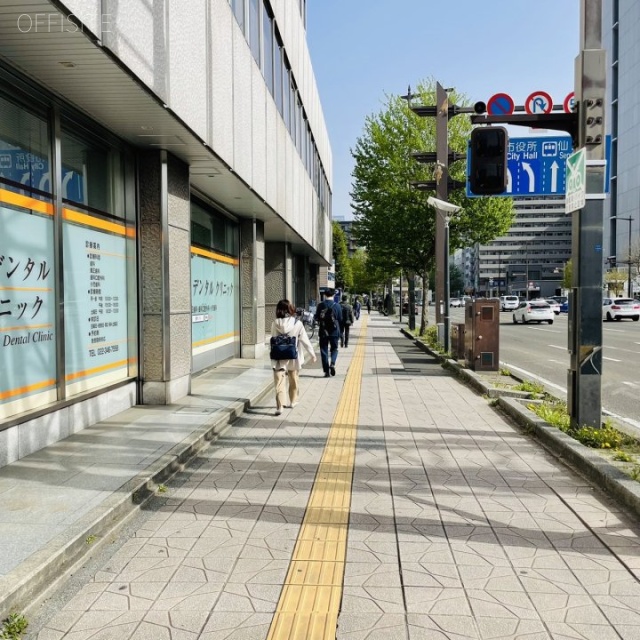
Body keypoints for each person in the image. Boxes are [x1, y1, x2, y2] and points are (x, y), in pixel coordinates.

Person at [270, 299, 316, 416]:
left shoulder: (275, 323)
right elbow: (305, 340)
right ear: (290, 310)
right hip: (293, 356)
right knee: (293, 379)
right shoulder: (297, 323)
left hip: (279, 357)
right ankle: (293, 401)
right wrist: (312, 354)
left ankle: (280, 406)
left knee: (279, 381)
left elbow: (273, 339)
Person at [314, 288, 343, 378]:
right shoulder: (337, 306)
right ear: (333, 295)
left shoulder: (320, 305)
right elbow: (340, 319)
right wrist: (341, 333)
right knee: (334, 349)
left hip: (323, 331)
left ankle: (326, 372)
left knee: (324, 350)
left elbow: (317, 317)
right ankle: (333, 364)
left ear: (325, 295)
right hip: (334, 331)